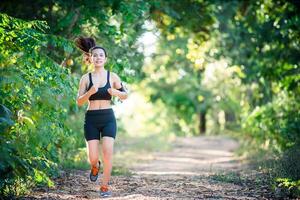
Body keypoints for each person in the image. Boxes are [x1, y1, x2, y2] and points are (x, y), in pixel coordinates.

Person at [75, 36, 128, 197]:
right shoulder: (86, 78)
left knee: (108, 152)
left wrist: (116, 92)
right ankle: (95, 166)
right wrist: (90, 92)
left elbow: (125, 95)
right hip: (91, 119)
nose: (98, 58)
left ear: (105, 59)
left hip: (108, 118)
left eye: (101, 55)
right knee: (92, 157)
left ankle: (104, 187)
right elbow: (78, 101)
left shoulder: (112, 76)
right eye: (95, 55)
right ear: (90, 58)